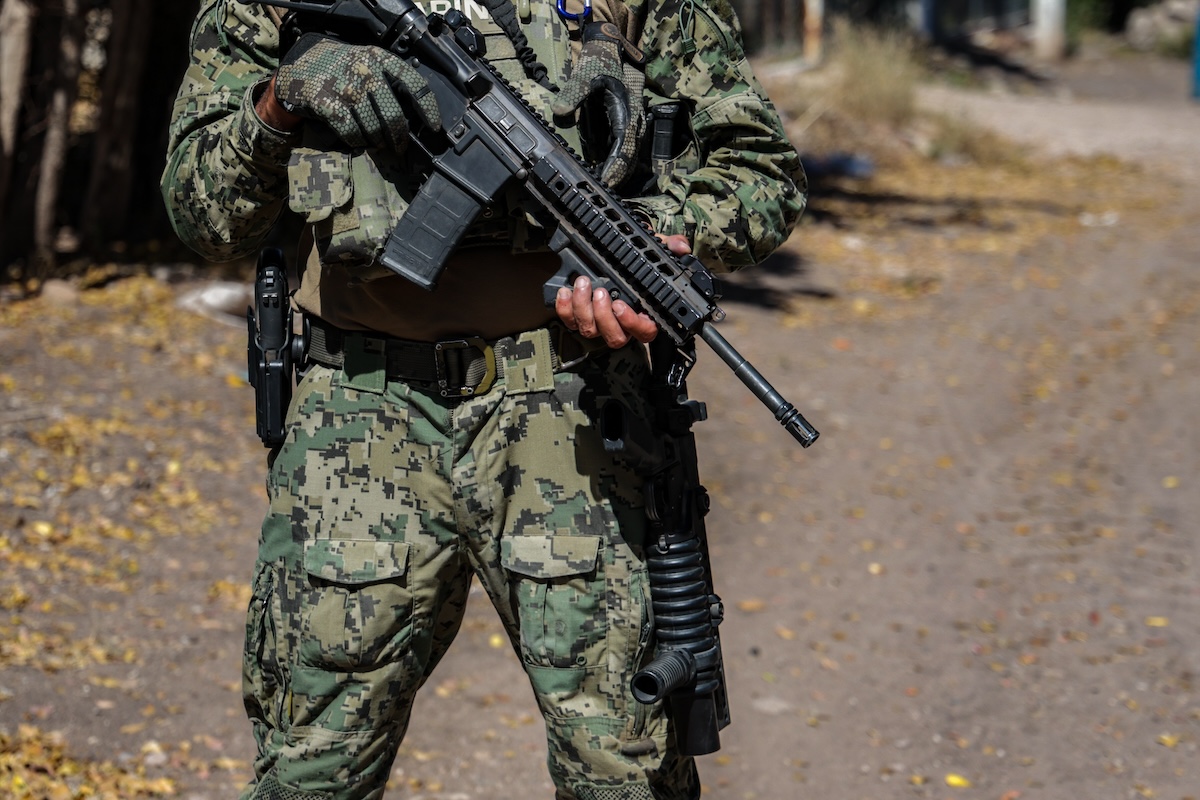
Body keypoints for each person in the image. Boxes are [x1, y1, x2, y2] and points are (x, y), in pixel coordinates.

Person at [161, 0, 806, 797]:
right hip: (357, 421)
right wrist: (282, 101)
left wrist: (642, 239)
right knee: (310, 768)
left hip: (572, 409)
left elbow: (760, 169)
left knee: (625, 769)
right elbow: (204, 215)